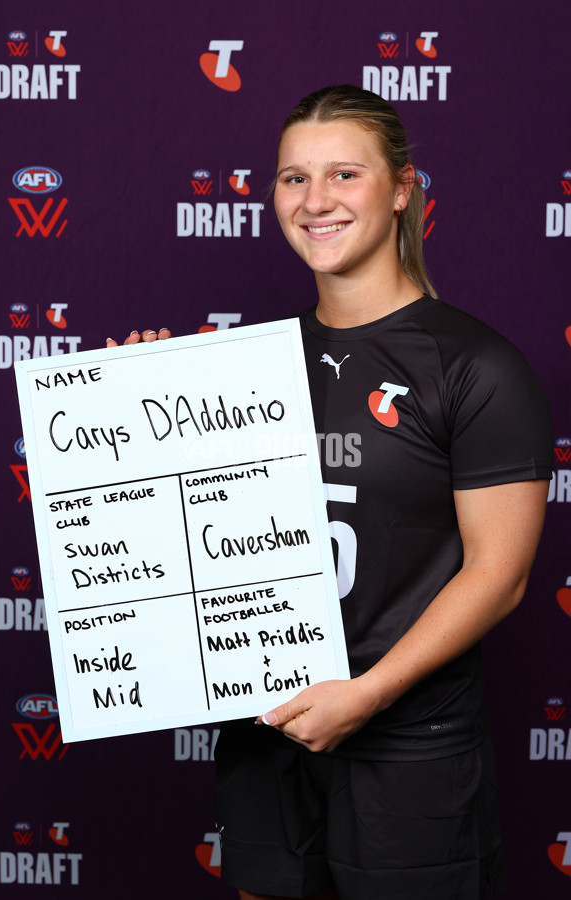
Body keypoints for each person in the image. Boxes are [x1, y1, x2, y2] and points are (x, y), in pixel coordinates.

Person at [107, 85, 552, 900]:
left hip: (409, 742)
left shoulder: (474, 366)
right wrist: (138, 406)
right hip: (268, 729)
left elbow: (501, 575)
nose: (315, 201)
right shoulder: (243, 369)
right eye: (294, 178)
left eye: (345, 174)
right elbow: (187, 542)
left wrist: (366, 694)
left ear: (402, 189)